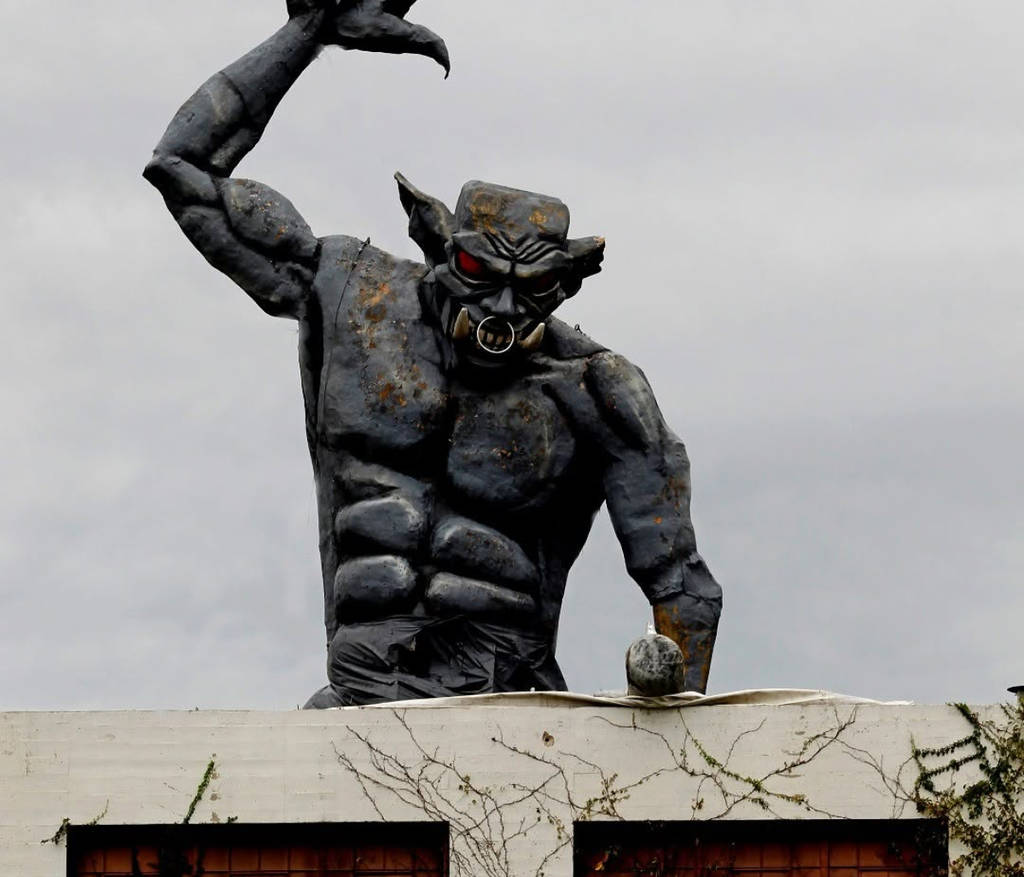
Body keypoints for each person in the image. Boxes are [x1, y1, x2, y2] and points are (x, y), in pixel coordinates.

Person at [145, 0, 722, 707]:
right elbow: (183, 166)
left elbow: (683, 586)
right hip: (360, 692)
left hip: (511, 702)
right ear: (436, 243)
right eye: (480, 275)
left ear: (568, 282)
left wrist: (673, 737)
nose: (500, 312)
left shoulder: (595, 390)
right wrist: (309, 31)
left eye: (532, 287)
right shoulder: (357, 295)